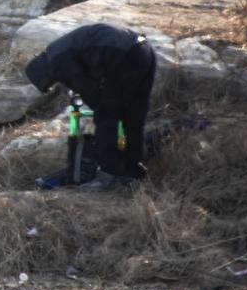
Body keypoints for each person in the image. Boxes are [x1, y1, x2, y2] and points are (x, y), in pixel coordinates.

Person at [24, 22, 157, 191]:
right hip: (144, 50)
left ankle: (108, 177)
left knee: (106, 119)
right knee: (134, 118)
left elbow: (88, 89)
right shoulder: (58, 50)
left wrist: (102, 109)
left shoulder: (58, 62)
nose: (54, 83)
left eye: (49, 83)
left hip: (125, 57)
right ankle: (132, 173)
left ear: (44, 73)